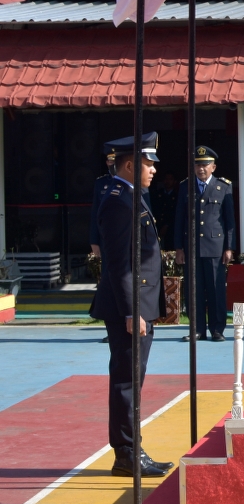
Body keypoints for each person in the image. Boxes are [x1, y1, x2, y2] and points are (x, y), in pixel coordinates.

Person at [91, 132, 173, 478]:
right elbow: (119, 263)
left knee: (132, 379)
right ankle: (126, 452)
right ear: (129, 165)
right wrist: (132, 310)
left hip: (139, 304)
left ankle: (130, 448)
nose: (153, 169)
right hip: (129, 307)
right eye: (147, 163)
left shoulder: (133, 196)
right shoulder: (118, 201)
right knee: (126, 381)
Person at [174, 146, 235, 342]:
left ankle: (218, 329)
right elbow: (179, 219)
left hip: (215, 246)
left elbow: (229, 220)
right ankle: (197, 329)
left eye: (205, 165)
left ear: (213, 167)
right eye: (198, 165)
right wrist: (178, 247)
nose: (201, 169)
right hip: (191, 247)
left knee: (216, 289)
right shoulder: (186, 186)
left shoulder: (223, 186)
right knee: (194, 290)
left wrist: (229, 247)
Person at [90, 144, 117, 257]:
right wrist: (94, 241)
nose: (113, 164)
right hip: (105, 238)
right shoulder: (100, 183)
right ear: (107, 162)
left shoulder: (131, 181)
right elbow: (95, 213)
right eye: (110, 161)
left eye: (116, 161)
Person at [151, 171, 179, 250]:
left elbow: (175, 213)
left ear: (174, 181)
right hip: (157, 227)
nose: (168, 181)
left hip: (171, 230)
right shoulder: (157, 194)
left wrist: (166, 225)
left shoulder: (177, 195)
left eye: (170, 179)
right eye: (166, 179)